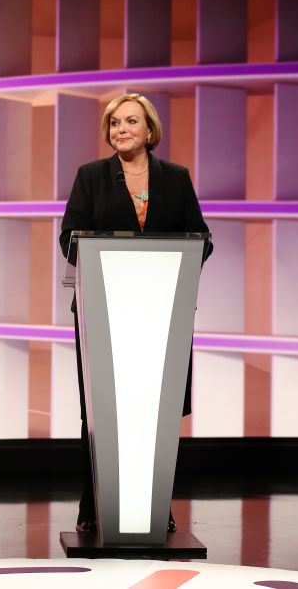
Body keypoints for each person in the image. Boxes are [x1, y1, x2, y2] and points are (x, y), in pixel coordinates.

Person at [58, 92, 213, 533]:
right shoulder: (90, 177)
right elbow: (69, 237)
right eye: (113, 124)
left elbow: (201, 238)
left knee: (156, 411)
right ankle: (95, 507)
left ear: (150, 131)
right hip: (103, 312)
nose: (120, 130)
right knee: (101, 410)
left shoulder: (176, 178)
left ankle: (154, 508)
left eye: (130, 122)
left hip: (162, 311)